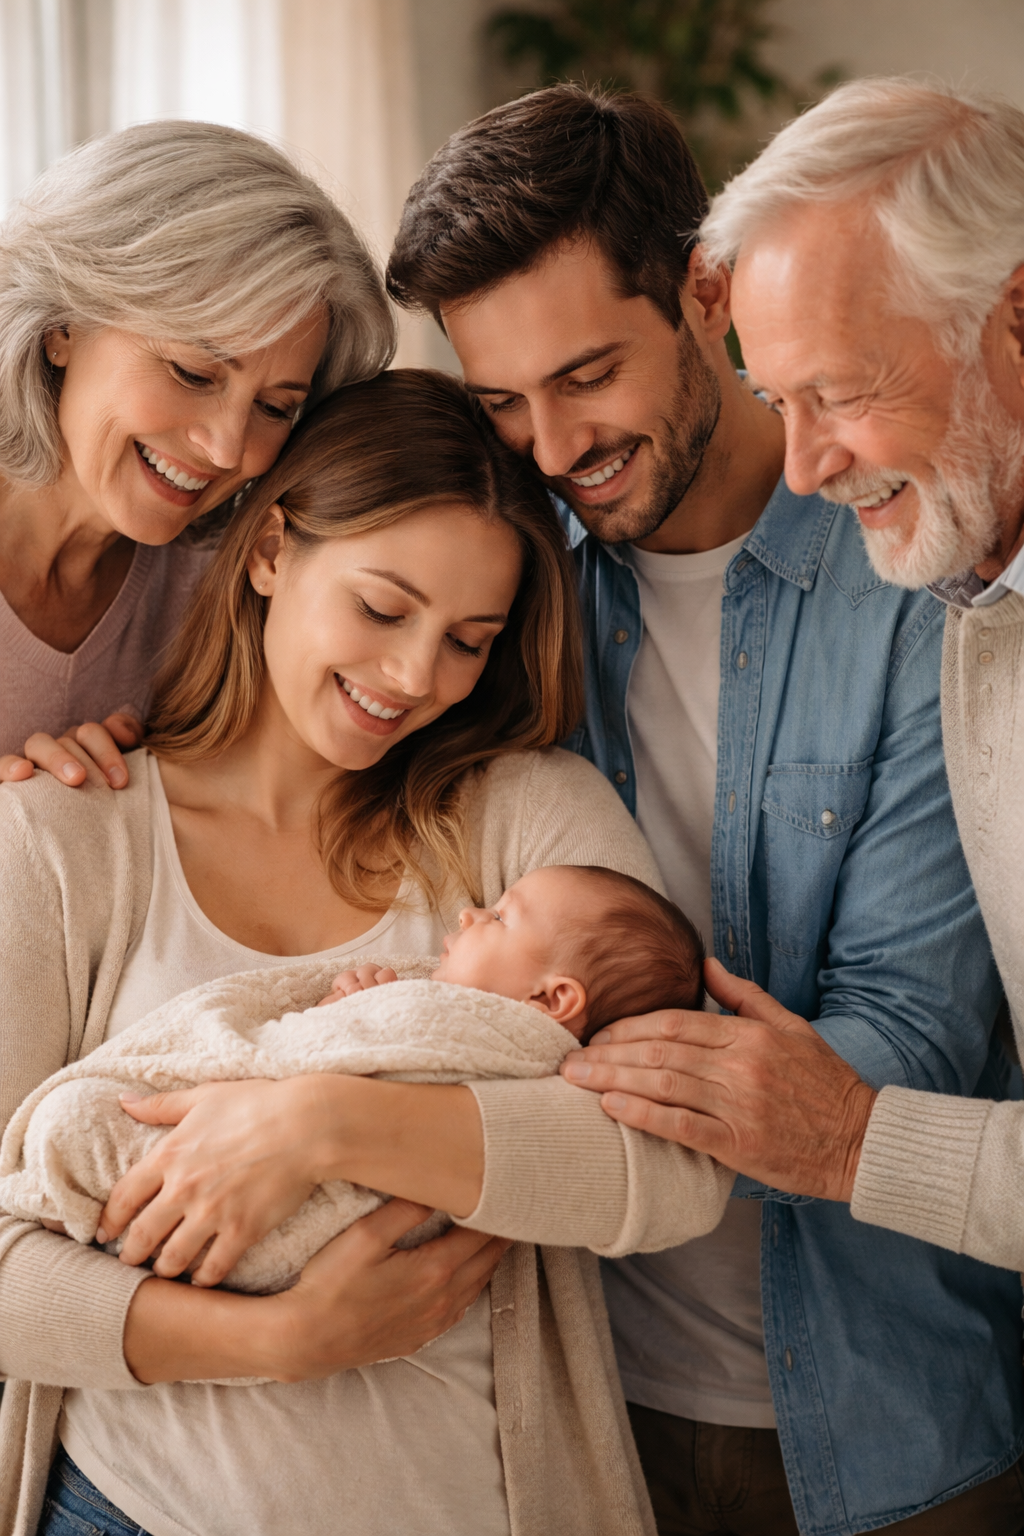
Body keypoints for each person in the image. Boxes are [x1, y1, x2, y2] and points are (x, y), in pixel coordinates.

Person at [94, 87, 1023, 1536]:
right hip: (593, 1395)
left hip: (889, 1403)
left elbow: (912, 1037)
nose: (549, 442)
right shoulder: (508, 601)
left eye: (587, 374)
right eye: (499, 401)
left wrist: (387, 1109)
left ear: (704, 296)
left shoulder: (909, 570)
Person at [0, 369, 728, 1536]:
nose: (413, 679)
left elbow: (681, 1164)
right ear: (271, 549)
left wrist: (319, 1126)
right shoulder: (61, 840)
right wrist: (281, 1341)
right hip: (136, 1506)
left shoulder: (527, 821)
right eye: (383, 610)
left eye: (467, 642)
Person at [563, 82, 1024, 1283]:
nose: (806, 468)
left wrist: (864, 1140)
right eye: (777, 402)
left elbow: (913, 1038)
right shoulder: (975, 601)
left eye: (845, 391)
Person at [0, 865, 705, 1293]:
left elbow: (669, 1153)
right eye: (380, 609)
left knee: (79, 1122)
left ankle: (71, 1189)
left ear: (551, 1001)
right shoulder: (69, 819)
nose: (468, 912)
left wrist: (316, 1113)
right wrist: (350, 1013)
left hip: (301, 1232)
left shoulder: (483, 1031)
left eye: (496, 917)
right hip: (121, 1477)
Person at [0, 117, 391, 786]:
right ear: (62, 326)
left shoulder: (221, 594)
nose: (225, 446)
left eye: (274, 408)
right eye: (192, 372)